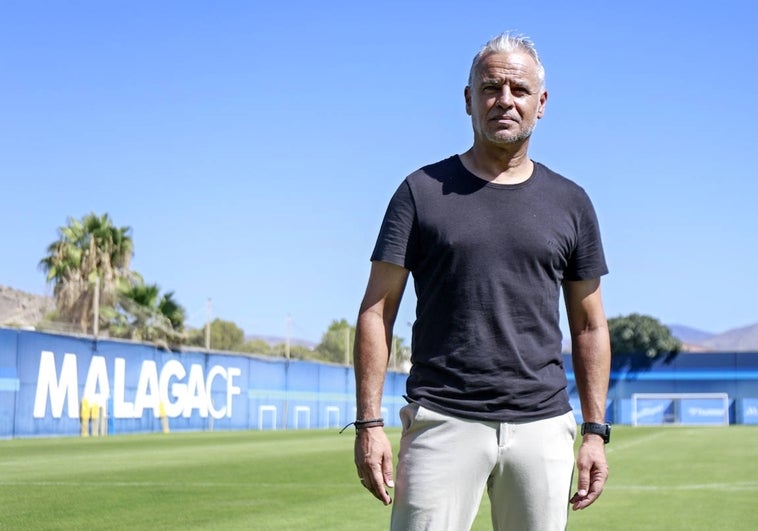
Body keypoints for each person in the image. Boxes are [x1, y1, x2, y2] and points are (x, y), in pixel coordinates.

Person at [351, 31, 611, 531]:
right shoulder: (419, 192)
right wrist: (369, 424)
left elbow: (589, 325)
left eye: (518, 89)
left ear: (542, 104)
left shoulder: (571, 202)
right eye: (491, 88)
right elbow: (376, 311)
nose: (504, 101)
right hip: (442, 421)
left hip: (542, 426)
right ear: (468, 100)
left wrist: (595, 432)